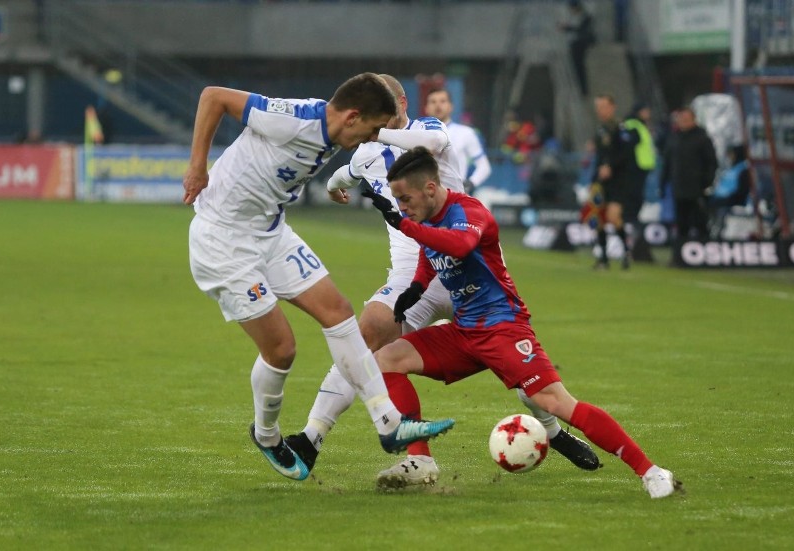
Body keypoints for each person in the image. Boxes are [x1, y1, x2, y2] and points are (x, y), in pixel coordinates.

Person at [286, 75, 598, 490]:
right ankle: (317, 439)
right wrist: (334, 185)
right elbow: (348, 171)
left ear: (400, 103)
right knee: (366, 337)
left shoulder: (429, 130)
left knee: (528, 376)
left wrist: (380, 131)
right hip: (412, 277)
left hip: (470, 267)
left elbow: (428, 147)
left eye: (384, 107)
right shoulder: (365, 155)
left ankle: (552, 430)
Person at [362, 146, 683, 499]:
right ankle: (420, 461)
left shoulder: (469, 212)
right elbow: (430, 255)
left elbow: (461, 245)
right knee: (388, 359)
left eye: (405, 198)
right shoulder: (427, 220)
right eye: (397, 200)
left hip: (503, 327)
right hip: (465, 331)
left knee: (555, 402)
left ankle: (651, 471)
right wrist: (418, 287)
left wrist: (405, 226)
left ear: (430, 188)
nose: (402, 206)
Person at [182, 73, 455, 481]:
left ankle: (388, 422)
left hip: (271, 233)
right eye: (372, 129)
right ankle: (268, 434)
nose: (374, 138)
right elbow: (212, 96)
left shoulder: (343, 139)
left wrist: (335, 185)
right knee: (282, 350)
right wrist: (198, 168)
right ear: (352, 117)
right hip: (224, 241)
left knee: (340, 312)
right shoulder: (291, 118)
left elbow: (346, 172)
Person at [593, 94, 638, 269]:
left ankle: (626, 251)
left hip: (619, 181)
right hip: (601, 181)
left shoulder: (622, 128)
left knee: (613, 216)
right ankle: (603, 258)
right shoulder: (600, 130)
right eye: (598, 107)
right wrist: (594, 179)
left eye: (604, 106)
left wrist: (610, 167)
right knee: (598, 218)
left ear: (612, 107)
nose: (601, 111)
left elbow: (626, 154)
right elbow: (599, 157)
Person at [660, 107, 718, 240]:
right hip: (678, 189)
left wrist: (706, 182)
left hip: (697, 189)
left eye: (686, 119)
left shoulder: (702, 138)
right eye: (681, 119)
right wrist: (662, 184)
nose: (684, 122)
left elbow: (711, 163)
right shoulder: (673, 139)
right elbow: (667, 164)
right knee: (681, 223)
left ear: (694, 120)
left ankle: (704, 249)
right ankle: (682, 253)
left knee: (700, 221)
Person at [424, 88, 492, 193]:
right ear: (426, 108)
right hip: (425, 198)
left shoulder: (466, 133)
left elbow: (484, 166)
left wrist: (471, 183)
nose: (438, 105)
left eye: (442, 101)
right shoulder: (417, 133)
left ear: (451, 107)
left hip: (455, 198)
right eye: (433, 102)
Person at [622, 102, 658, 225]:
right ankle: (630, 221)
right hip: (635, 167)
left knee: (637, 196)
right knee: (633, 196)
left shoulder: (640, 125)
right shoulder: (633, 125)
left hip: (641, 167)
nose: (648, 113)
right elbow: (628, 146)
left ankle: (632, 220)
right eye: (646, 110)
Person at [559, 0, 596, 97]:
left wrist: (567, 28)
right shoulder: (574, 17)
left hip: (580, 44)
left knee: (579, 66)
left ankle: (583, 89)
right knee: (575, 66)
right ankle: (578, 88)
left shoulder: (585, 17)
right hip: (575, 43)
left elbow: (579, 29)